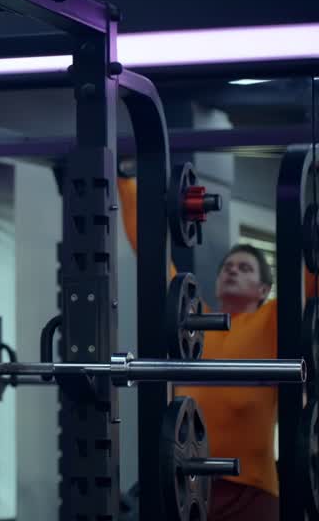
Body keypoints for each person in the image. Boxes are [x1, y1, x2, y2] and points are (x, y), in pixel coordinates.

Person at [119, 177, 316, 521]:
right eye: (227, 267)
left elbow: (312, 276)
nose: (232, 271)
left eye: (244, 268)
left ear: (263, 288)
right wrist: (125, 183)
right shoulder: (191, 322)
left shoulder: (273, 321)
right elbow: (151, 254)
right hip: (186, 489)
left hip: (252, 493)